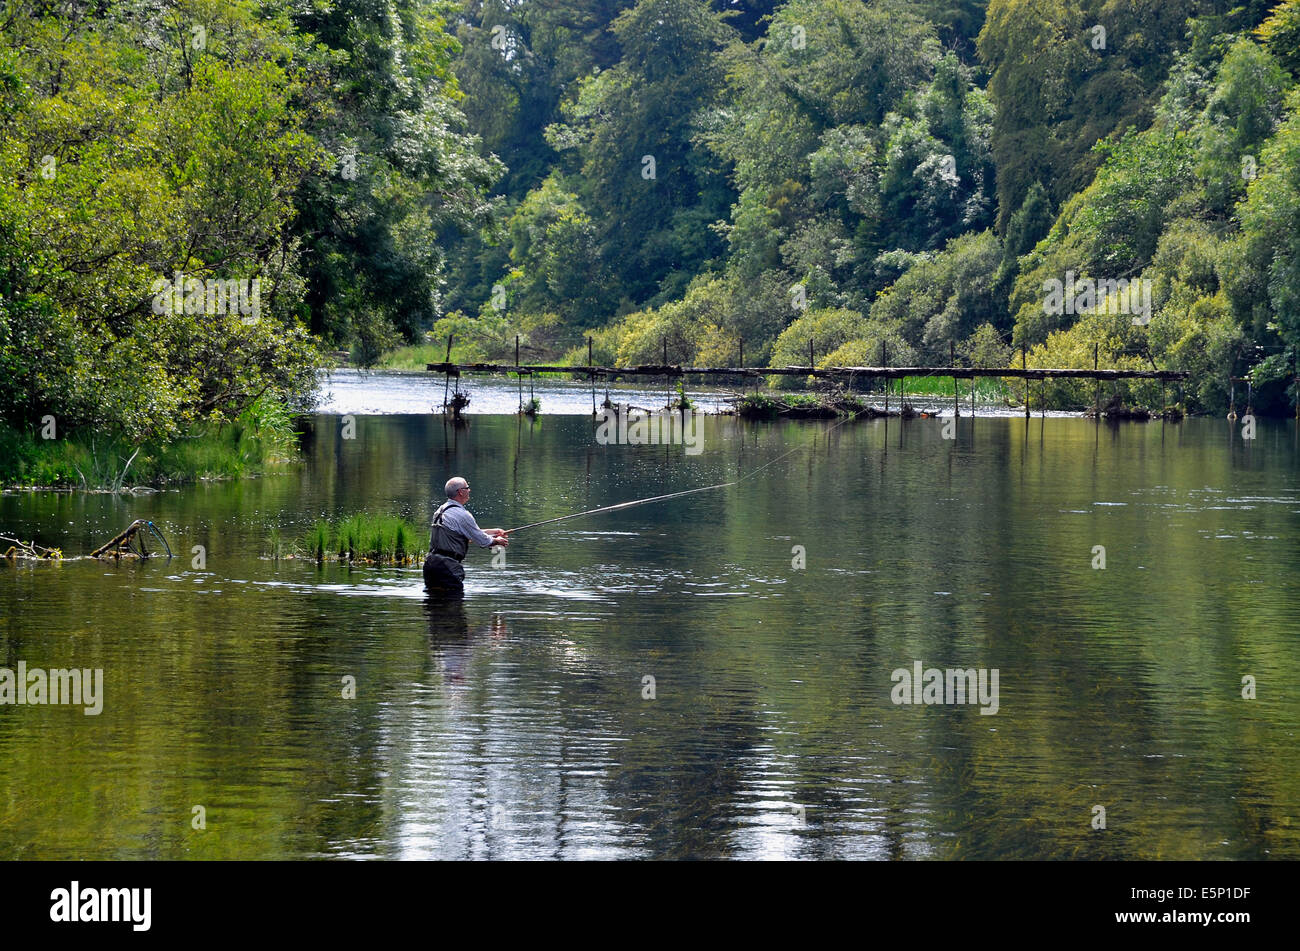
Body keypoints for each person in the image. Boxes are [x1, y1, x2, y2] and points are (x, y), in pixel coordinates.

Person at [424, 476, 508, 594]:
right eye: (467, 487)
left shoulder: (440, 510)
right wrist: (497, 541)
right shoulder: (463, 514)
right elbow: (483, 541)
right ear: (460, 492)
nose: (469, 490)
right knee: (453, 606)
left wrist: (494, 532)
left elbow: (465, 533)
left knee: (433, 607)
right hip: (447, 567)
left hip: (431, 565)